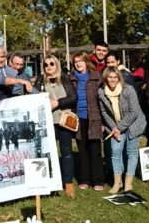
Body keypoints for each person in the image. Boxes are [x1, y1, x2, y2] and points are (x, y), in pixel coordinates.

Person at [32, 55, 77, 197]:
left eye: (52, 63)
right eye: (46, 65)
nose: (49, 66)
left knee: (66, 153)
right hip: (47, 122)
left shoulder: (64, 79)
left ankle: (68, 182)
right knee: (48, 153)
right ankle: (50, 182)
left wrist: (58, 103)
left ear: (56, 64)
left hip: (63, 122)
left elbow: (73, 97)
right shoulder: (40, 80)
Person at [98, 67, 147, 194]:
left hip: (133, 124)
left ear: (119, 78)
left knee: (131, 152)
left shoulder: (128, 90)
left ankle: (128, 183)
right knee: (115, 151)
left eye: (115, 77)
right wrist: (114, 128)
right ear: (105, 78)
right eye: (110, 77)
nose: (112, 80)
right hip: (114, 126)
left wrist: (119, 128)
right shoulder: (101, 92)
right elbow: (104, 112)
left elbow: (134, 112)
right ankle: (117, 182)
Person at [69, 51, 105, 191]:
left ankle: (98, 180)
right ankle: (84, 178)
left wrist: (103, 122)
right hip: (78, 118)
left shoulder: (97, 77)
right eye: (76, 61)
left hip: (94, 117)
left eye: (80, 61)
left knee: (95, 148)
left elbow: (103, 100)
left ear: (86, 62)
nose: (78, 63)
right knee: (82, 148)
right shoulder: (70, 79)